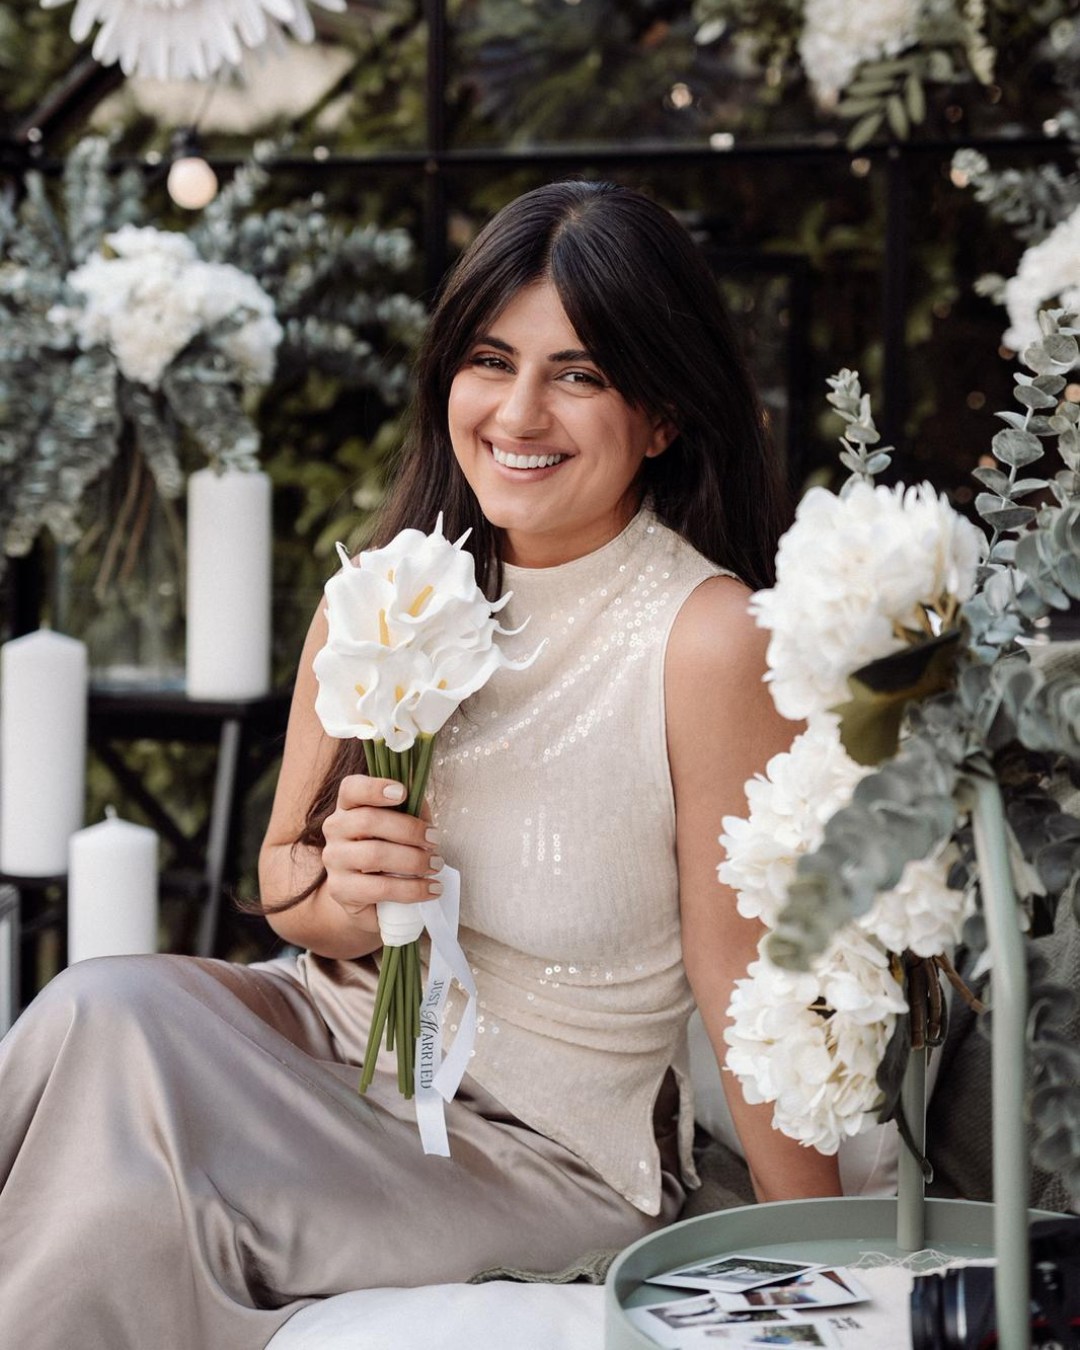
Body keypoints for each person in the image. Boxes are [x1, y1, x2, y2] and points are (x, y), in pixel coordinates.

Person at [0, 179, 840, 1350]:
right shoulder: (386, 591)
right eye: (491, 361)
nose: (520, 411)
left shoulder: (707, 640)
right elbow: (290, 888)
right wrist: (344, 894)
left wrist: (838, 1269)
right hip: (326, 1046)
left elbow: (746, 985)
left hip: (532, 1151)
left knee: (132, 1201)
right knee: (97, 1004)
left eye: (582, 373)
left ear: (662, 414)